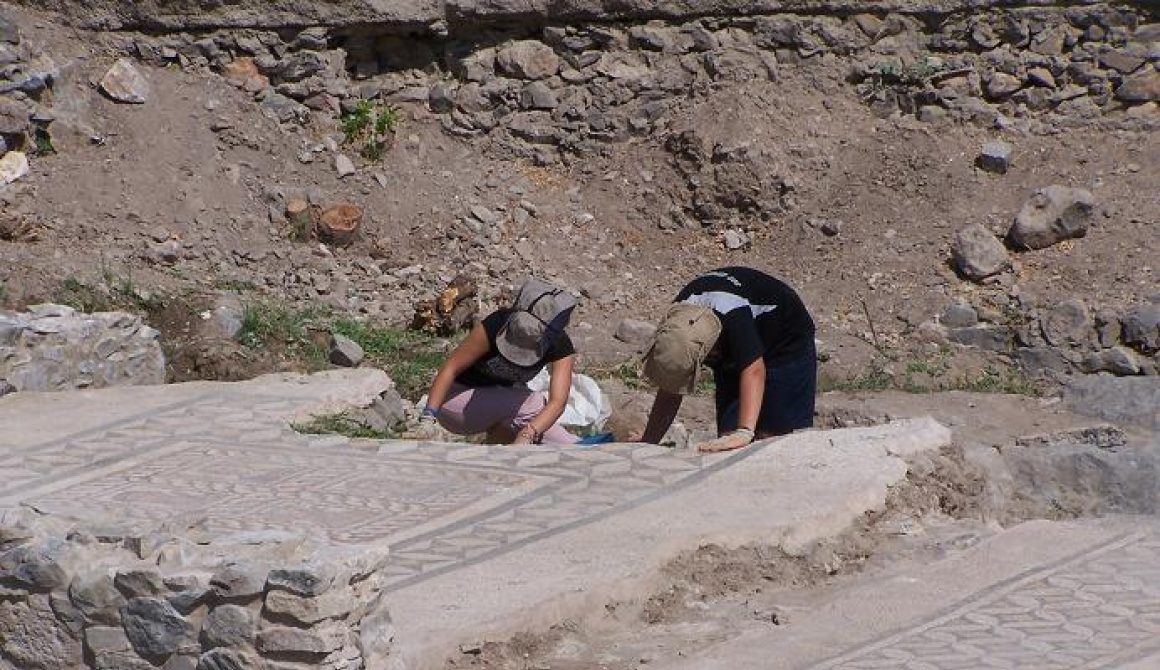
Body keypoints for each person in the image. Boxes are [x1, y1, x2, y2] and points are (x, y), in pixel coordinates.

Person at [639, 267, 817, 452]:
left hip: (785, 342)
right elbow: (673, 383)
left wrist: (744, 432)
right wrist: (649, 441)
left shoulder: (732, 312)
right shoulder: (677, 321)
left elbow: (754, 370)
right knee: (726, 439)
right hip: (735, 343)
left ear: (712, 348)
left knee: (771, 438)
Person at [415, 278, 583, 445]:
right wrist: (428, 418)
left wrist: (527, 433)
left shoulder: (559, 345)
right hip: (455, 402)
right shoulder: (497, 324)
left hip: (496, 406)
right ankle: (560, 444)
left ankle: (573, 445)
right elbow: (450, 368)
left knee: (536, 424)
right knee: (534, 405)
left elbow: (558, 402)